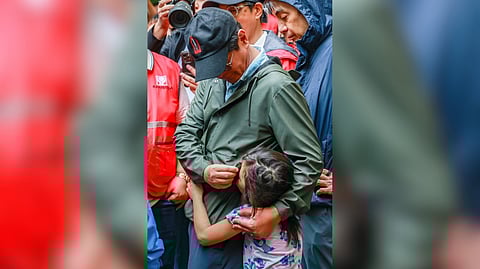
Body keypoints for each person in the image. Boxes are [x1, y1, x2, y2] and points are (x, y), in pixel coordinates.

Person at [175, 8, 323, 269]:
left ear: (242, 38)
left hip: (244, 233)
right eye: (210, 66)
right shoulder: (213, 79)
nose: (218, 73)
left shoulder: (277, 87)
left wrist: (277, 212)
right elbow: (185, 134)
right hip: (202, 220)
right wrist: (204, 169)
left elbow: (308, 162)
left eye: (224, 63)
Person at [267, 0, 333, 268]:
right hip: (317, 205)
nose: (281, 29)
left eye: (285, 17)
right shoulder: (316, 52)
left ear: (309, 9)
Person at [187, 148, 302, 268]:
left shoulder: (248, 215)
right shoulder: (291, 205)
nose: (238, 169)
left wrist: (196, 196)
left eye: (241, 176)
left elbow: (204, 236)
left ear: (250, 192)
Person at [147, 50, 190, 269]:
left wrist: (182, 175)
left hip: (163, 193)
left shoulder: (170, 70)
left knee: (166, 260)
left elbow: (186, 130)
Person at [203, 0, 298, 70]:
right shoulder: (223, 58)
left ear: (257, 10)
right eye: (220, 14)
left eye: (232, 11)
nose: (226, 21)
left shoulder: (282, 59)